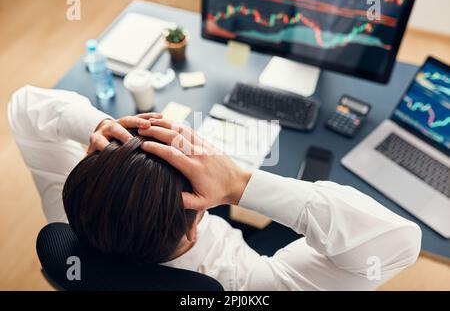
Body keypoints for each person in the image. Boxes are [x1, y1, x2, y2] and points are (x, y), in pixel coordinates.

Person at [8, 85, 421, 290]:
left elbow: (23, 107)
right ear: (193, 226)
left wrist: (96, 125)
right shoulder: (246, 284)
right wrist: (240, 184)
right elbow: (400, 242)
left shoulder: (68, 216)